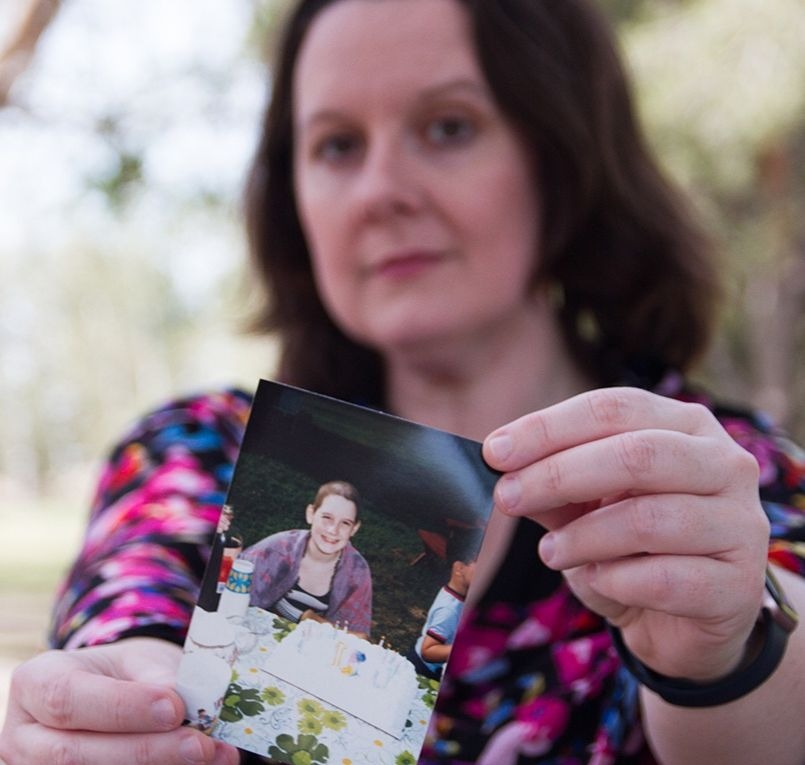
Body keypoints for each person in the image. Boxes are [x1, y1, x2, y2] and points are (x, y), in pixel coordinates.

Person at [1, 0, 804, 763]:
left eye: (448, 127)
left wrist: (722, 657)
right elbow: (131, 605)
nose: (381, 190)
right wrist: (120, 694)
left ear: (561, 161)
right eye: (337, 145)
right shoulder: (195, 451)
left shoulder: (723, 477)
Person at [239, 480, 372, 636]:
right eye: (327, 517)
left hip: (312, 648)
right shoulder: (277, 548)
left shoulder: (357, 572)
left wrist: (314, 620)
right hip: (257, 633)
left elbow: (359, 635)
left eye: (345, 523)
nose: (333, 530)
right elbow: (230, 585)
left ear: (354, 529)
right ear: (311, 514)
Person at [410, 538, 477, 680]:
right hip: (422, 670)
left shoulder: (456, 597)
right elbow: (427, 651)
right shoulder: (449, 610)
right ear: (459, 568)